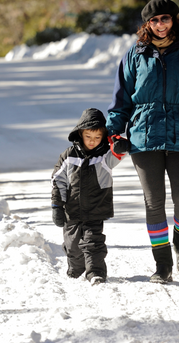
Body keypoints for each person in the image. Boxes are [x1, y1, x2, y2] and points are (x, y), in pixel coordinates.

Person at [106, 0, 179, 283]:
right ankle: (163, 264)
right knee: (153, 202)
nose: (160, 25)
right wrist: (114, 131)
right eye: (154, 20)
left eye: (165, 19)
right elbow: (122, 98)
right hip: (143, 137)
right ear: (147, 24)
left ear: (174, 20)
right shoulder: (135, 55)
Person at [51, 108, 130, 285]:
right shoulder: (69, 156)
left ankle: (95, 272)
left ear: (103, 137)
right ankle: (76, 268)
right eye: (88, 136)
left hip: (96, 209)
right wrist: (57, 206)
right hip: (71, 210)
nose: (92, 141)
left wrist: (120, 144)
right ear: (80, 133)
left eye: (97, 137)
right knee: (72, 245)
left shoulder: (105, 157)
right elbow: (58, 180)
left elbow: (119, 153)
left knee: (93, 243)